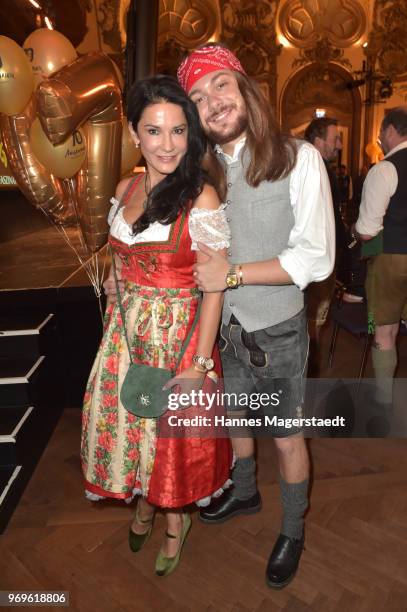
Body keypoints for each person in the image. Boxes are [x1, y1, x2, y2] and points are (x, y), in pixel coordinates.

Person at [177, 45, 335, 588]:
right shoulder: (200, 172)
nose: (212, 102)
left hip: (280, 328)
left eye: (220, 85)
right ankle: (245, 492)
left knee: (287, 436)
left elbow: (314, 257)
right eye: (198, 97)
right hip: (224, 327)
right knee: (238, 420)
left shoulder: (298, 157)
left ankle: (293, 528)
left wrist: (235, 276)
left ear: (245, 88)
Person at [81, 75, 232, 577]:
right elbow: (118, 260)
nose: (167, 145)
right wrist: (112, 281)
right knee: (133, 426)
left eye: (178, 131)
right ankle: (145, 502)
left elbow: (214, 288)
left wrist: (200, 364)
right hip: (126, 336)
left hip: (179, 338)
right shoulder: (126, 188)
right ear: (133, 133)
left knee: (169, 439)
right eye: (154, 131)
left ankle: (174, 522)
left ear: (190, 135)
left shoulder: (202, 198)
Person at [353, 106, 407, 410]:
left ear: (390, 131)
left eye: (380, 134)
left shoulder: (385, 169)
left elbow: (368, 230)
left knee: (385, 330)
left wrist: (355, 230)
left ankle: (384, 398)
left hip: (393, 259)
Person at [304, 117, 348, 375]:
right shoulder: (315, 168)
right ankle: (310, 374)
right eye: (335, 139)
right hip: (317, 259)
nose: (340, 145)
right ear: (319, 141)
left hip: (318, 257)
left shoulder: (317, 166)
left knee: (313, 319)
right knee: (313, 320)